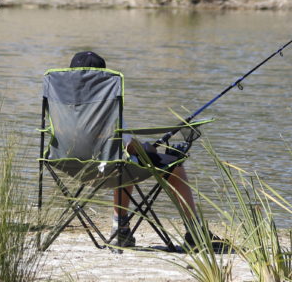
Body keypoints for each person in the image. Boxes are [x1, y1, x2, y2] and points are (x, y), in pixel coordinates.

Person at [68, 51, 229, 253]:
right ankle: (194, 233)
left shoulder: (61, 104)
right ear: (103, 80)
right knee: (169, 164)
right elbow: (129, 147)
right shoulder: (106, 107)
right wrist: (148, 148)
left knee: (123, 162)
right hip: (109, 169)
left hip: (70, 165)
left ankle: (121, 229)